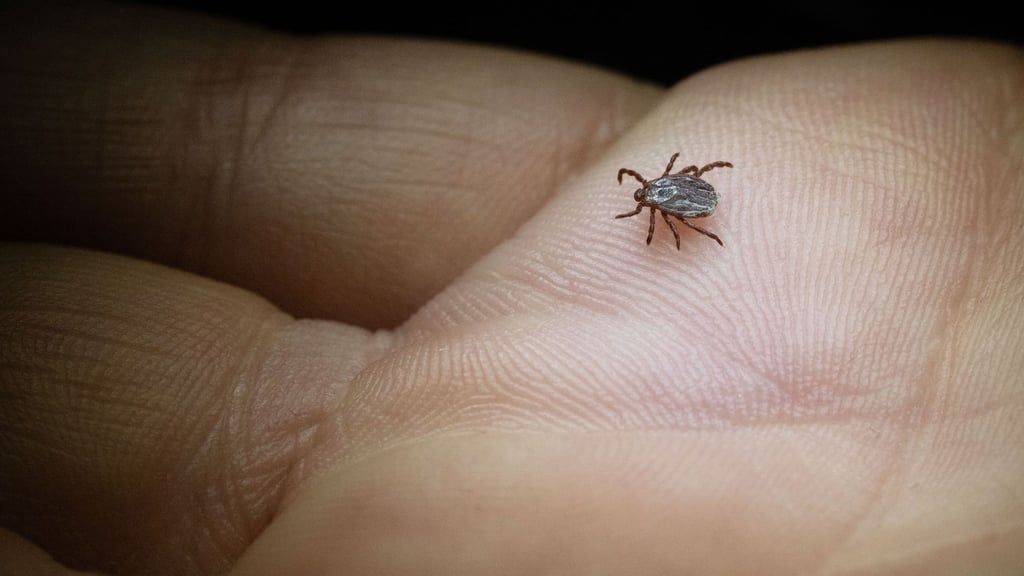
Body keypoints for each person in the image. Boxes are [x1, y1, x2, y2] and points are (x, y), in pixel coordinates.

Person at [1, 3, 1022, 574]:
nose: (656, 199)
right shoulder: (674, 197)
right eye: (657, 198)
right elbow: (686, 190)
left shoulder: (667, 201)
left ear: (663, 192)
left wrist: (684, 214)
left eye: (658, 196)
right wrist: (690, 208)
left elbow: (679, 196)